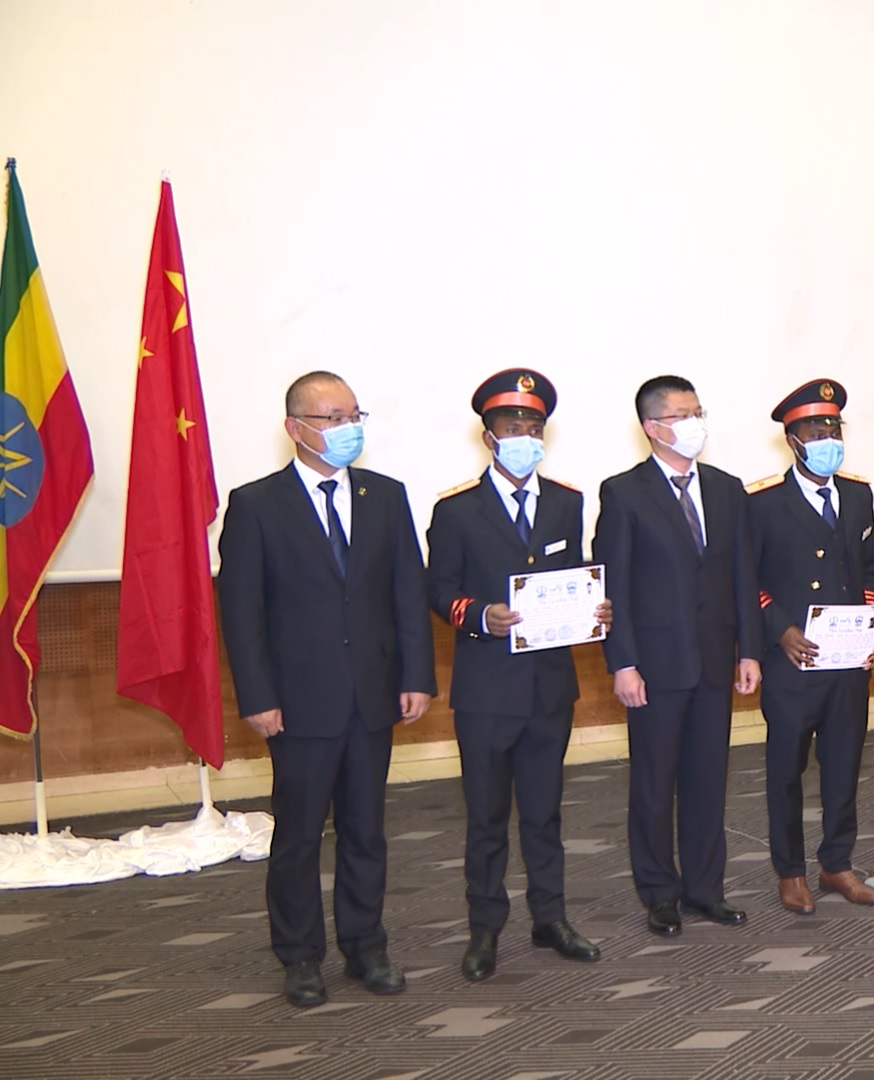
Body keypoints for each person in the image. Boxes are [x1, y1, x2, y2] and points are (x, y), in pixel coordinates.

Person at [216, 371, 435, 1008]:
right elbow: (242, 613)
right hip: (298, 702)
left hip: (373, 695)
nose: (347, 429)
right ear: (295, 428)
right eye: (332, 418)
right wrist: (257, 695)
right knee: (299, 836)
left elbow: (407, 592)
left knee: (367, 831)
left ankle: (366, 946)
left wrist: (416, 676)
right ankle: (300, 955)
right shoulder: (256, 504)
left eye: (353, 416)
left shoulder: (384, 495)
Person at [425, 369, 605, 982]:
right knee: (485, 817)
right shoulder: (456, 510)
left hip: (550, 687)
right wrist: (479, 615)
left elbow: (573, 578)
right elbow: (439, 589)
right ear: (488, 437)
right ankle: (485, 928)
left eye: (533, 426)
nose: (525, 436)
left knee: (545, 813)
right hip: (486, 690)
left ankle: (550, 918)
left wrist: (594, 609)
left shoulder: (566, 502)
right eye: (512, 426)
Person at [595, 375, 762, 936]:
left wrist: (749, 651)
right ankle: (659, 893)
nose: (694, 424)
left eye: (698, 412)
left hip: (714, 660)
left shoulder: (726, 489)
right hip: (654, 666)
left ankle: (705, 889)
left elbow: (742, 574)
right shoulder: (624, 493)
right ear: (652, 427)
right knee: (653, 785)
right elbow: (614, 585)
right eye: (681, 415)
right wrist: (622, 663)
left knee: (707, 781)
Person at [746, 379, 874, 915]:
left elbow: (869, 570)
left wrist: (873, 629)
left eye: (834, 428)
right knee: (786, 770)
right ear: (792, 439)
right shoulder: (761, 502)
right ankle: (790, 872)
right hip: (792, 663)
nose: (828, 438)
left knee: (844, 765)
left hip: (848, 663)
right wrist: (779, 629)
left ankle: (837, 863)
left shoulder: (858, 494)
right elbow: (746, 581)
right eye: (815, 430)